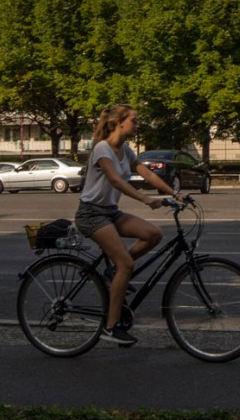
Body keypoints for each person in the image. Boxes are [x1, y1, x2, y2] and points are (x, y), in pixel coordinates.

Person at [75, 104, 184, 346]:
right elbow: (115, 180)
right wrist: (145, 199)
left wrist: (175, 193)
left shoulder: (125, 149)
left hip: (110, 212)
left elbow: (147, 173)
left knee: (153, 234)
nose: (138, 124)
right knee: (126, 263)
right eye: (134, 120)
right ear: (120, 122)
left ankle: (114, 272)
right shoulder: (103, 149)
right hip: (91, 214)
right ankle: (111, 327)